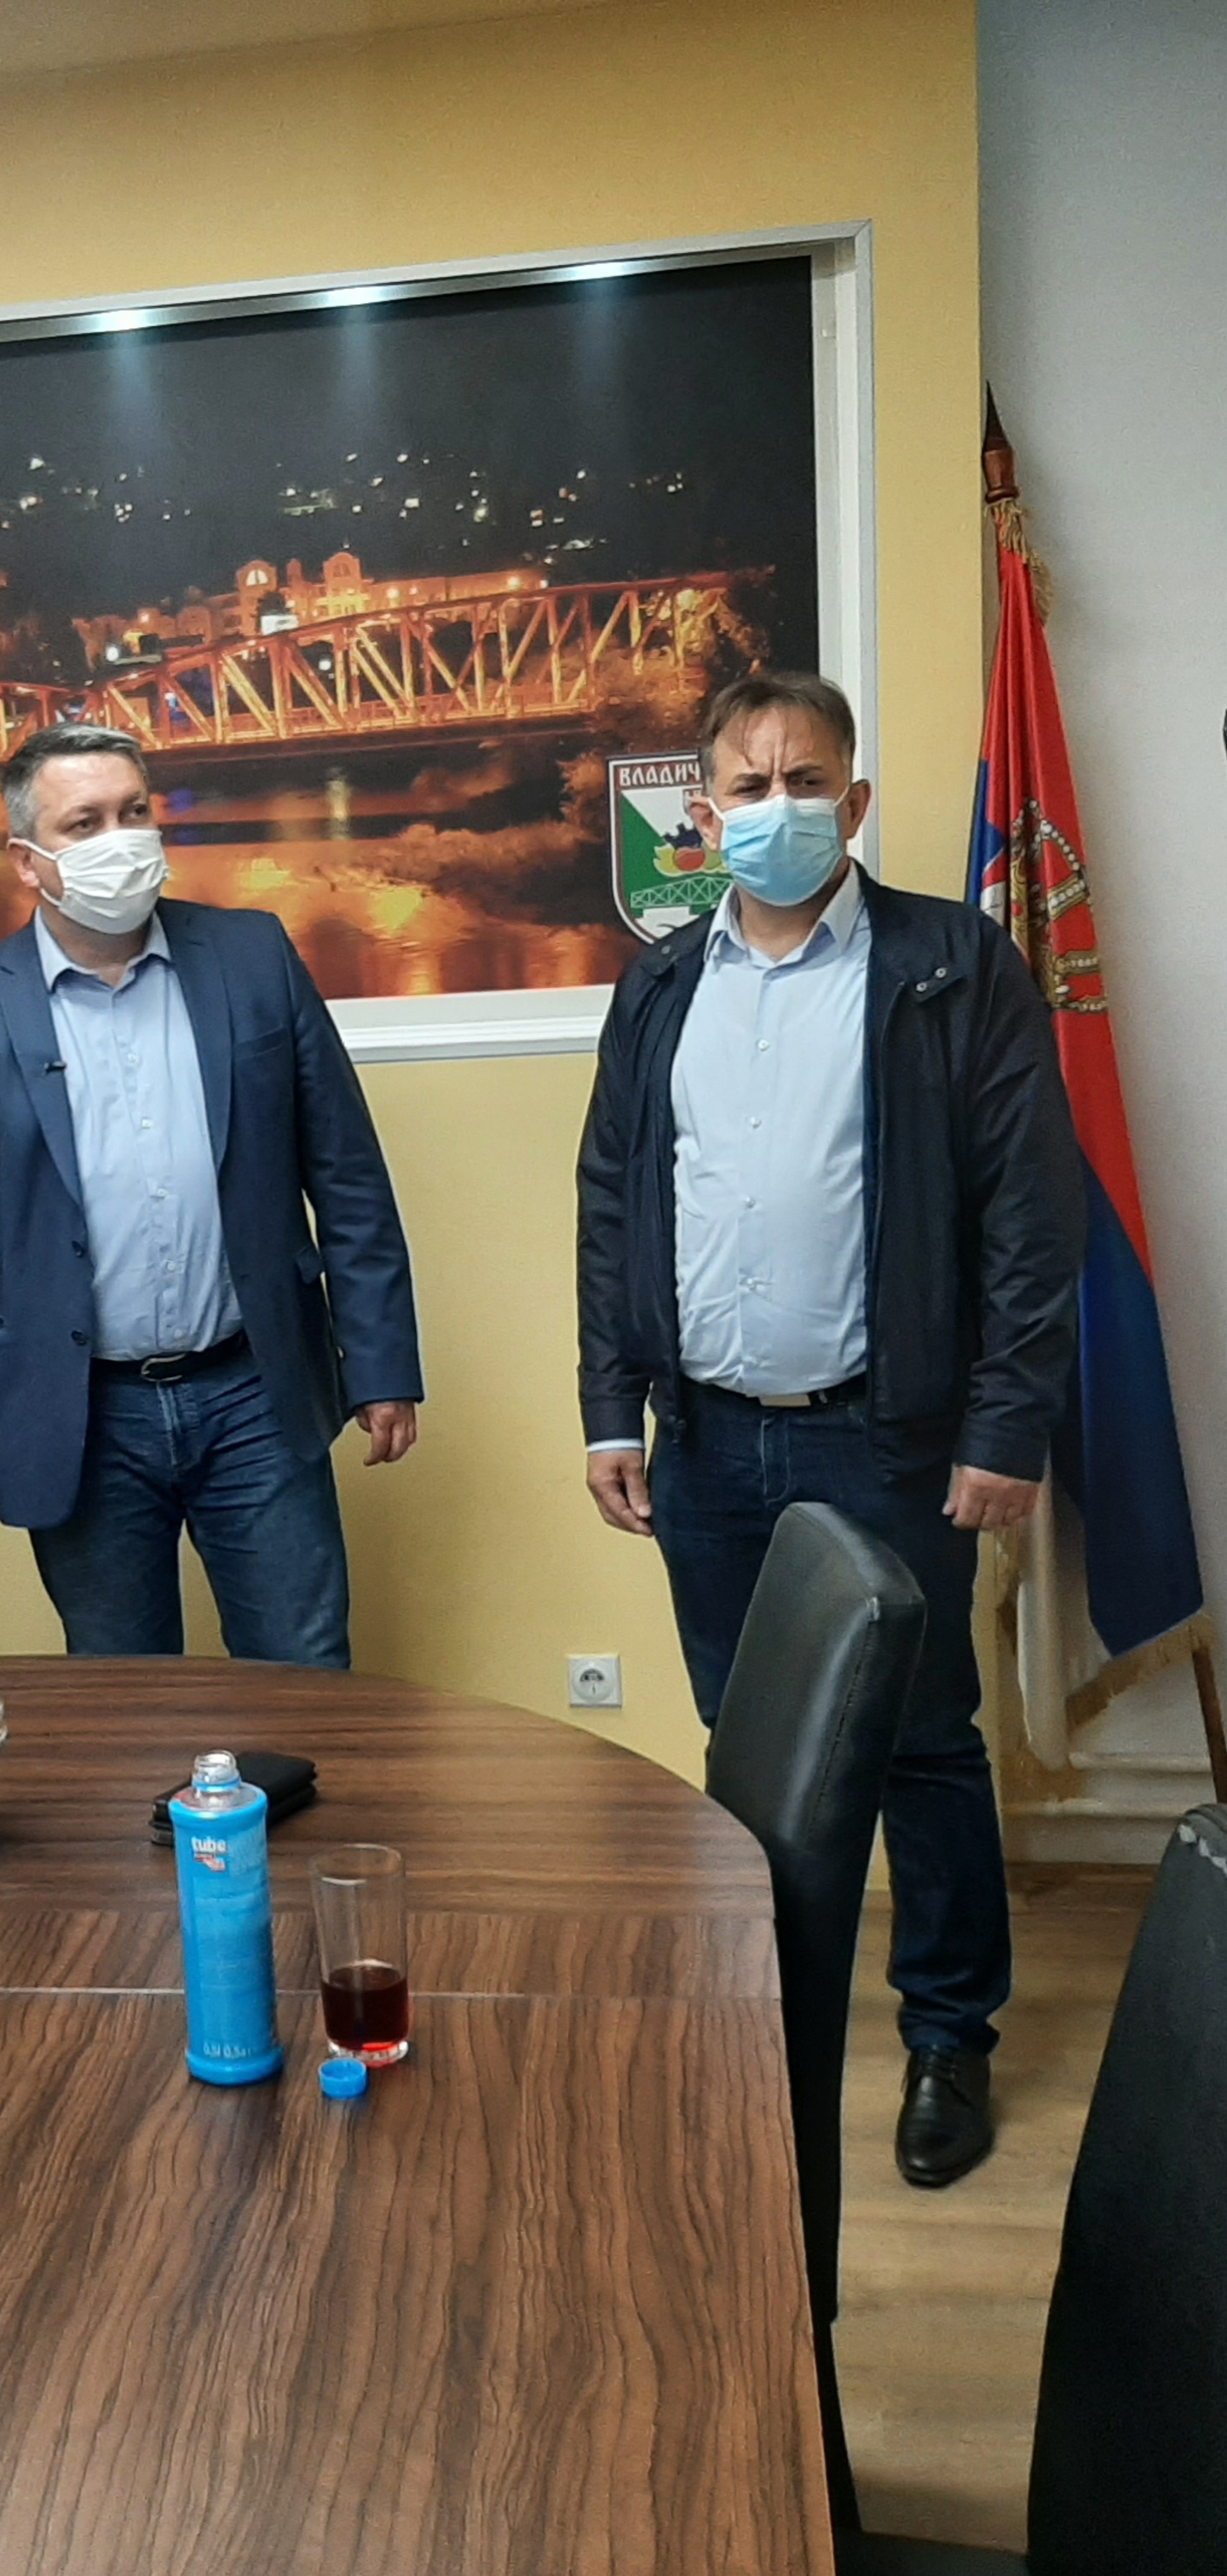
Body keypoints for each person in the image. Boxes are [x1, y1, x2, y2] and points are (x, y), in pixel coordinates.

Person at [577, 673, 1084, 2188]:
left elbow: (1029, 1213)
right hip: (708, 1445)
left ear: (854, 801)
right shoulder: (660, 985)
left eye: (806, 781)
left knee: (921, 1743)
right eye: (747, 786)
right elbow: (614, 1202)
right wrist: (609, 1405)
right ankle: (764, 2016)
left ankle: (948, 2035)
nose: (777, 807)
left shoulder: (950, 965)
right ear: (704, 813)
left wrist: (1004, 1423)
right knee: (751, 1748)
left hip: (893, 1439)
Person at [0, 722, 422, 1665]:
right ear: (28, 861)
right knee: (122, 1693)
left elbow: (347, 1175)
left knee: (305, 1670)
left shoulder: (252, 957)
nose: (120, 840)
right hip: (82, 1413)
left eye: (134, 812)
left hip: (255, 1390)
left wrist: (379, 1365)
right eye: (84, 823)